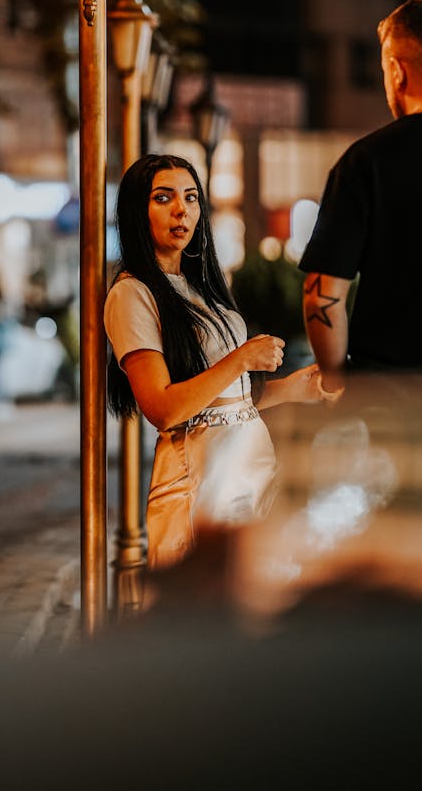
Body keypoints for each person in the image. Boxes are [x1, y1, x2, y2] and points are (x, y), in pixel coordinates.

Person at [104, 152, 329, 574]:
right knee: (207, 612)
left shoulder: (200, 286)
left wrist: (296, 388)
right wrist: (242, 358)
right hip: (203, 474)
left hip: (249, 464)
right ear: (138, 210)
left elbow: (223, 403)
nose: (181, 210)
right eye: (163, 197)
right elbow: (164, 408)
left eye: (191, 198)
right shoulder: (131, 293)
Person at [300, 0, 422, 398]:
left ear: (396, 71)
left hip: (393, 403)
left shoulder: (366, 161)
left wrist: (336, 384)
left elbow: (323, 294)